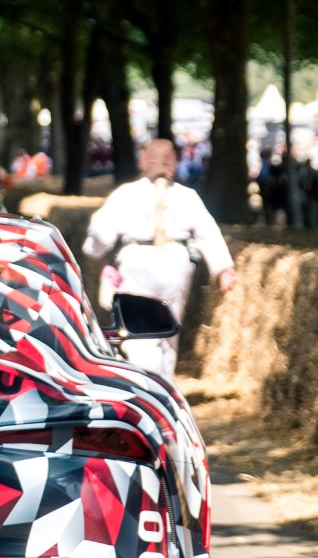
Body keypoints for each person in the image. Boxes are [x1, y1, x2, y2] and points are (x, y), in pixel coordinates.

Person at [83, 137, 236, 378]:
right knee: (168, 330)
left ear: (144, 161)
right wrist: (223, 268)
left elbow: (101, 233)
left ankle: (150, 381)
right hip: (177, 264)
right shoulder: (187, 196)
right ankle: (165, 381)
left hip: (137, 262)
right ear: (173, 163)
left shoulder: (127, 194)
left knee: (140, 333)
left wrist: (93, 250)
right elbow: (208, 232)